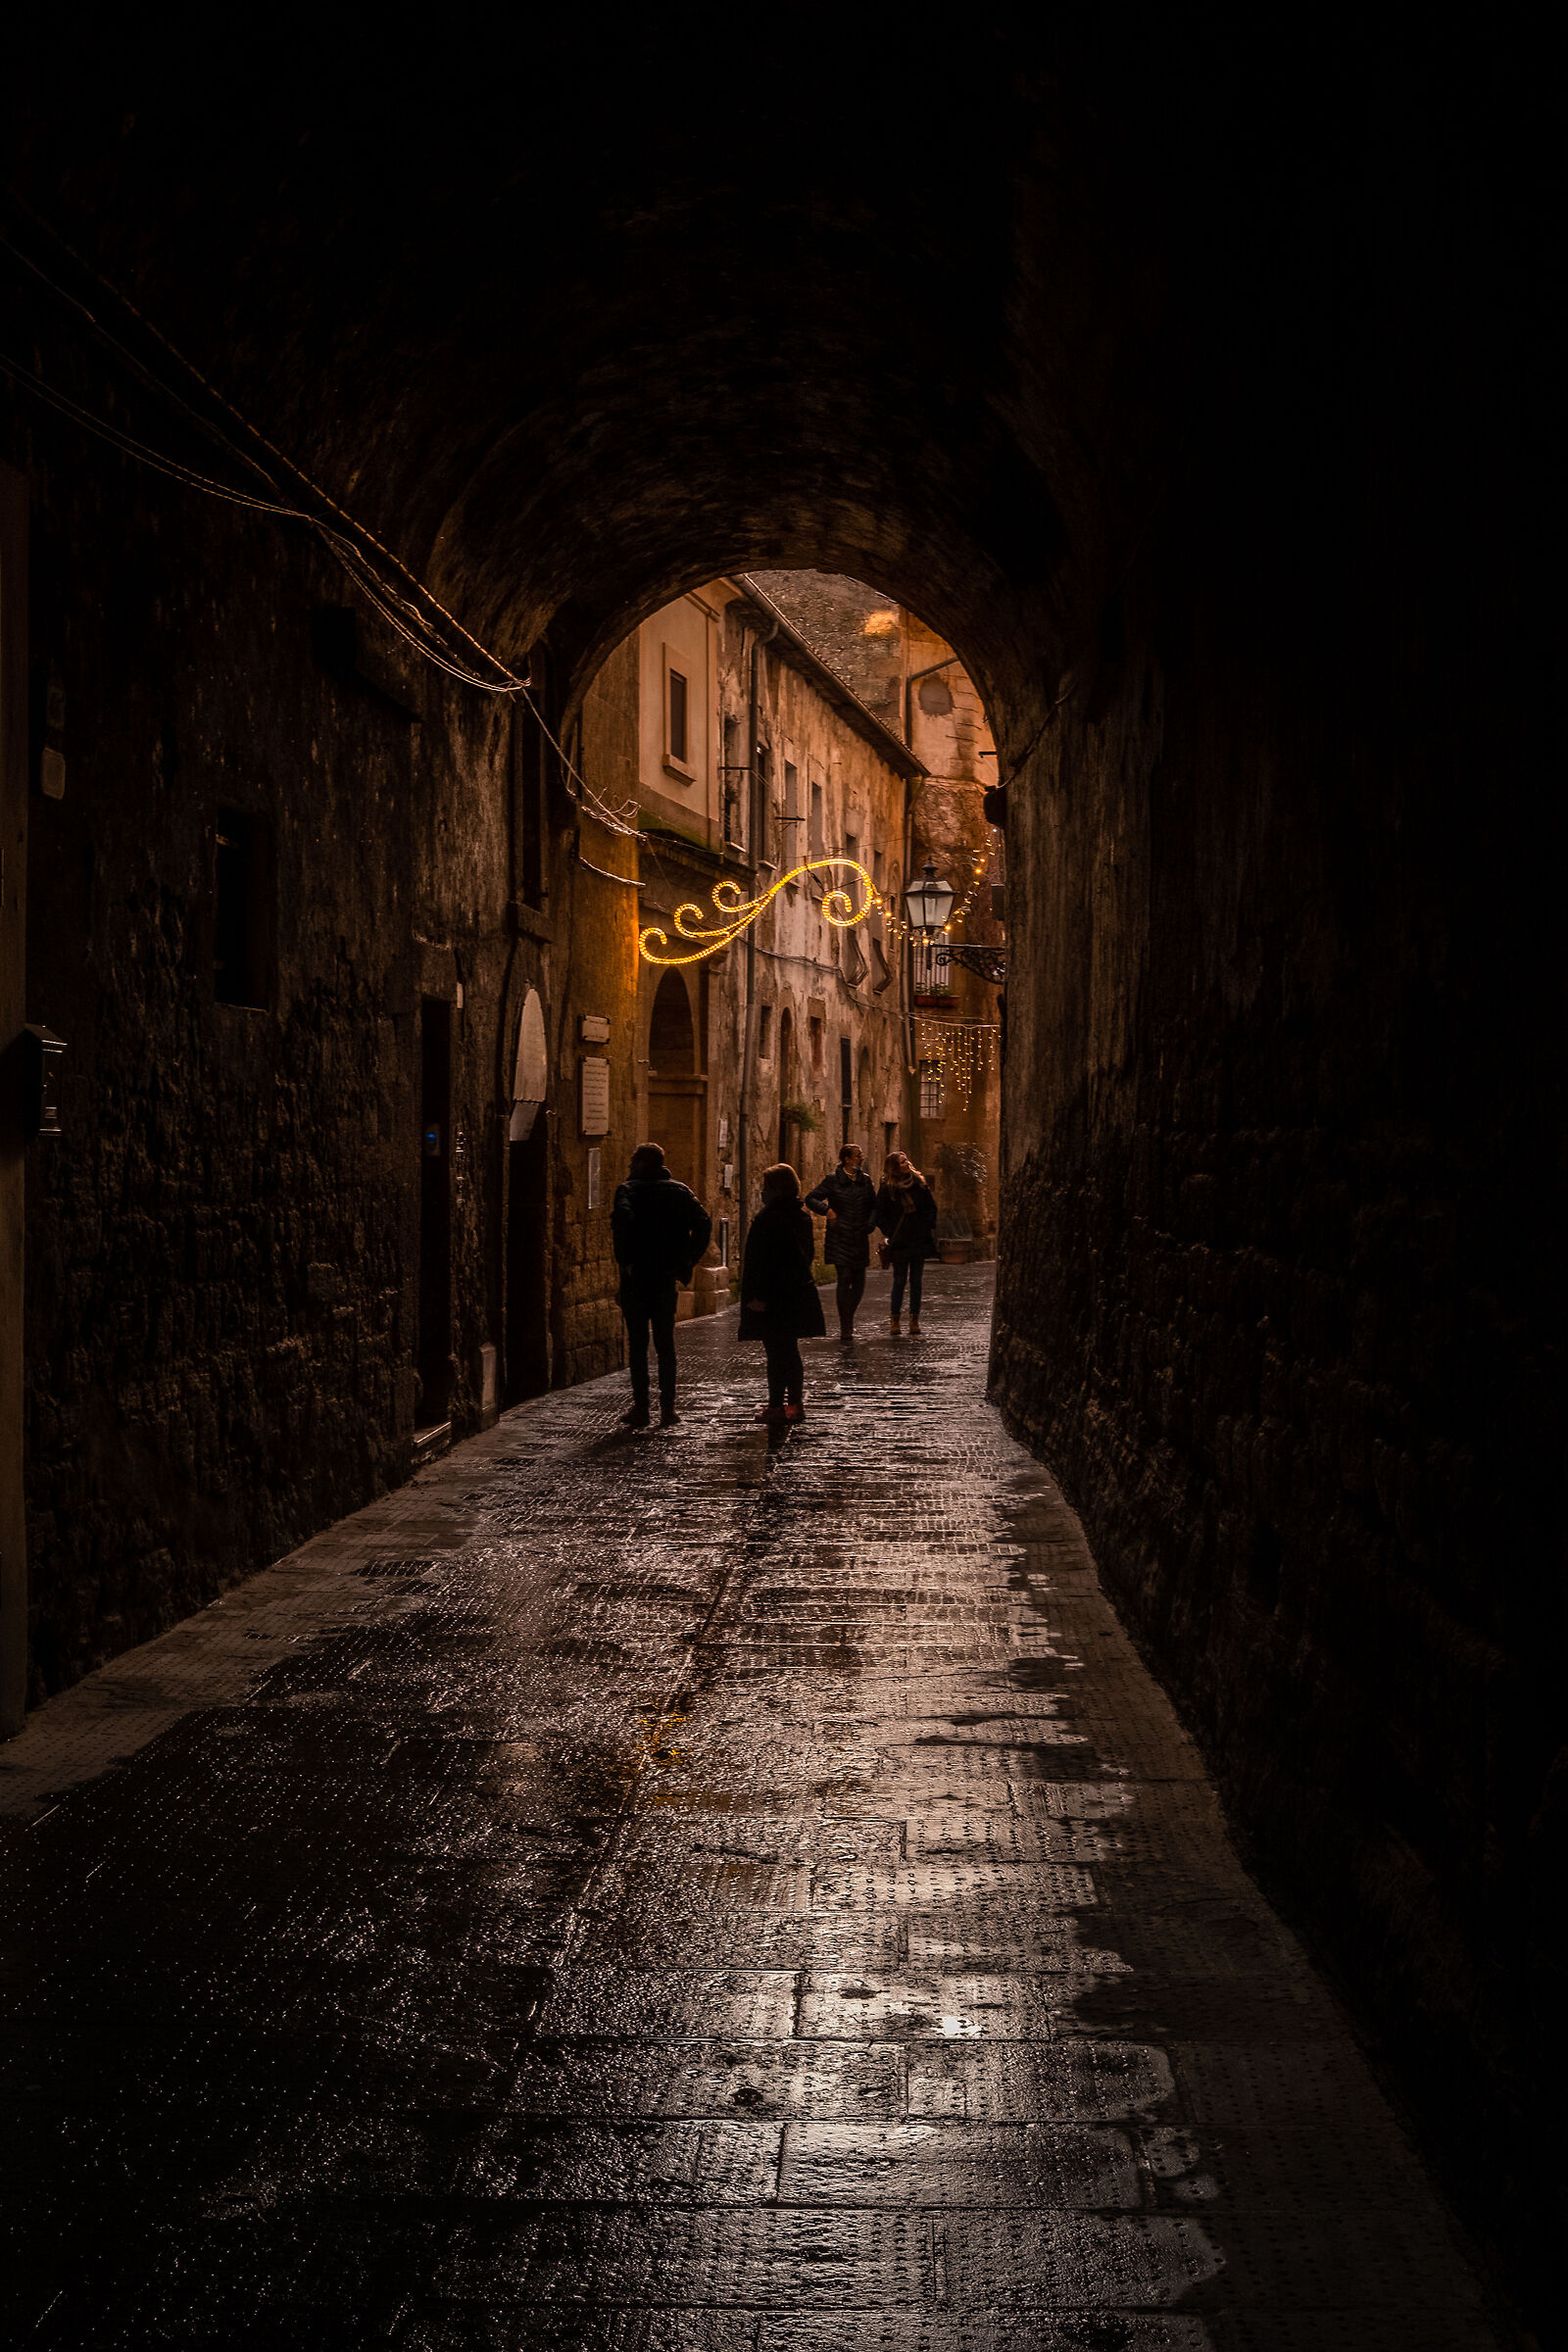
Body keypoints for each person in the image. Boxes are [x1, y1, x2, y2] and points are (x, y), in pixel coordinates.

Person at [610, 1142, 711, 1427]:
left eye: (634, 1161)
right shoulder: (681, 1191)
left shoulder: (628, 1190)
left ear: (642, 1163)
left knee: (638, 1345)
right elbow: (703, 1223)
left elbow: (623, 1221)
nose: (631, 1166)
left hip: (637, 1278)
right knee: (666, 1344)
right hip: (666, 1278)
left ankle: (641, 1408)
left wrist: (626, 1261)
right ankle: (668, 1409)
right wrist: (686, 1261)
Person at [738, 1161, 826, 1423]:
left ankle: (776, 1406)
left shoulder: (768, 1219)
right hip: (796, 1294)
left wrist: (757, 1297)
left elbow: (761, 1262)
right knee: (790, 1351)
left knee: (776, 1353)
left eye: (766, 1186)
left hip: (771, 1298)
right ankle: (794, 1405)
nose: (763, 1191)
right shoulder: (801, 1217)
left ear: (777, 1189)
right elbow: (806, 1257)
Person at [805, 1143, 878, 1342]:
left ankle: (848, 1316)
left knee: (859, 1283)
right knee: (844, 1279)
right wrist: (828, 1211)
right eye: (858, 1155)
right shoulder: (833, 1180)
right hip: (839, 1237)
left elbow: (874, 1206)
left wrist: (870, 1224)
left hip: (859, 1236)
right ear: (847, 1159)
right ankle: (846, 1325)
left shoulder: (865, 1181)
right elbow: (811, 1198)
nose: (861, 1158)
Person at [872, 1150, 938, 1335]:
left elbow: (931, 1208)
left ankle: (914, 1320)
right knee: (899, 1280)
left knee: (916, 1281)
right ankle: (895, 1320)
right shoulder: (888, 1188)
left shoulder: (919, 1184)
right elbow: (879, 1213)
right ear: (894, 1167)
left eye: (906, 1160)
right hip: (900, 1241)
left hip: (918, 1239)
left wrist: (927, 1226)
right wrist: (890, 1231)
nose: (906, 1163)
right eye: (902, 1162)